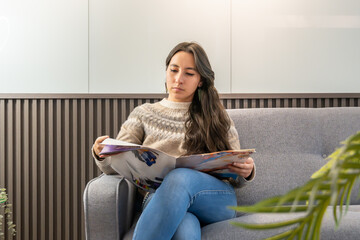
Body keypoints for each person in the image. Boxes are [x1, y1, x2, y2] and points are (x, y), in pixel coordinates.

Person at [92, 42, 255, 240]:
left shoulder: (216, 115)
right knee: (184, 228)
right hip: (158, 198)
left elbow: (234, 171)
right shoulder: (143, 114)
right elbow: (116, 166)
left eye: (189, 73)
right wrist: (103, 153)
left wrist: (246, 171)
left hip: (215, 200)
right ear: (166, 70)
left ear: (200, 80)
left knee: (179, 177)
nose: (178, 79)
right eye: (174, 70)